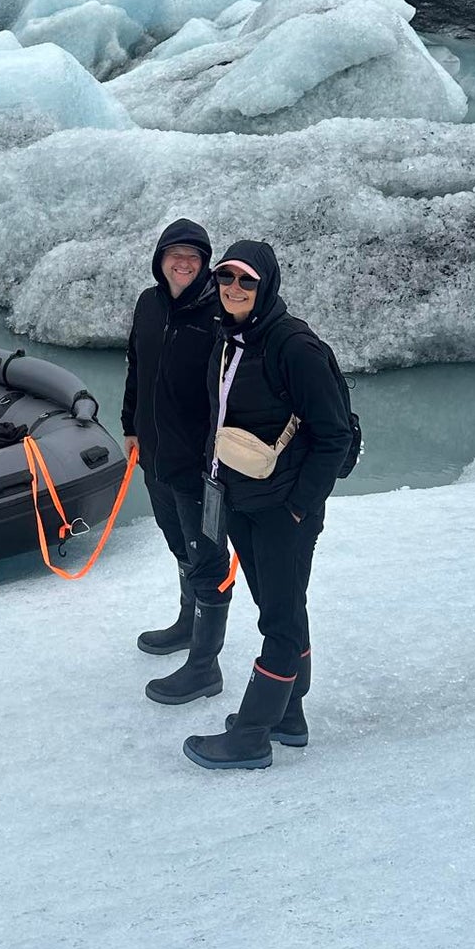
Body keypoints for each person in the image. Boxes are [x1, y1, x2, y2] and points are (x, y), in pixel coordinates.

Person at [182, 239, 353, 771]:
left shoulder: (293, 347)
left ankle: (253, 734)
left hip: (283, 511)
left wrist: (299, 507)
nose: (234, 289)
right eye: (227, 278)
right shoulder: (229, 338)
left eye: (246, 281)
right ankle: (289, 715)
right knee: (281, 607)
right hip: (241, 499)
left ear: (267, 286)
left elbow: (334, 436)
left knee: (277, 622)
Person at [121, 219, 233, 704]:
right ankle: (189, 625)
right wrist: (131, 426)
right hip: (156, 458)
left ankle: (205, 669)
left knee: (208, 559)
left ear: (205, 263)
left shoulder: (220, 315)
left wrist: (220, 457)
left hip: (202, 468)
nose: (183, 263)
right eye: (175, 254)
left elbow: (233, 394)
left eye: (194, 255)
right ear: (160, 259)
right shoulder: (149, 305)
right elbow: (137, 368)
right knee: (179, 545)